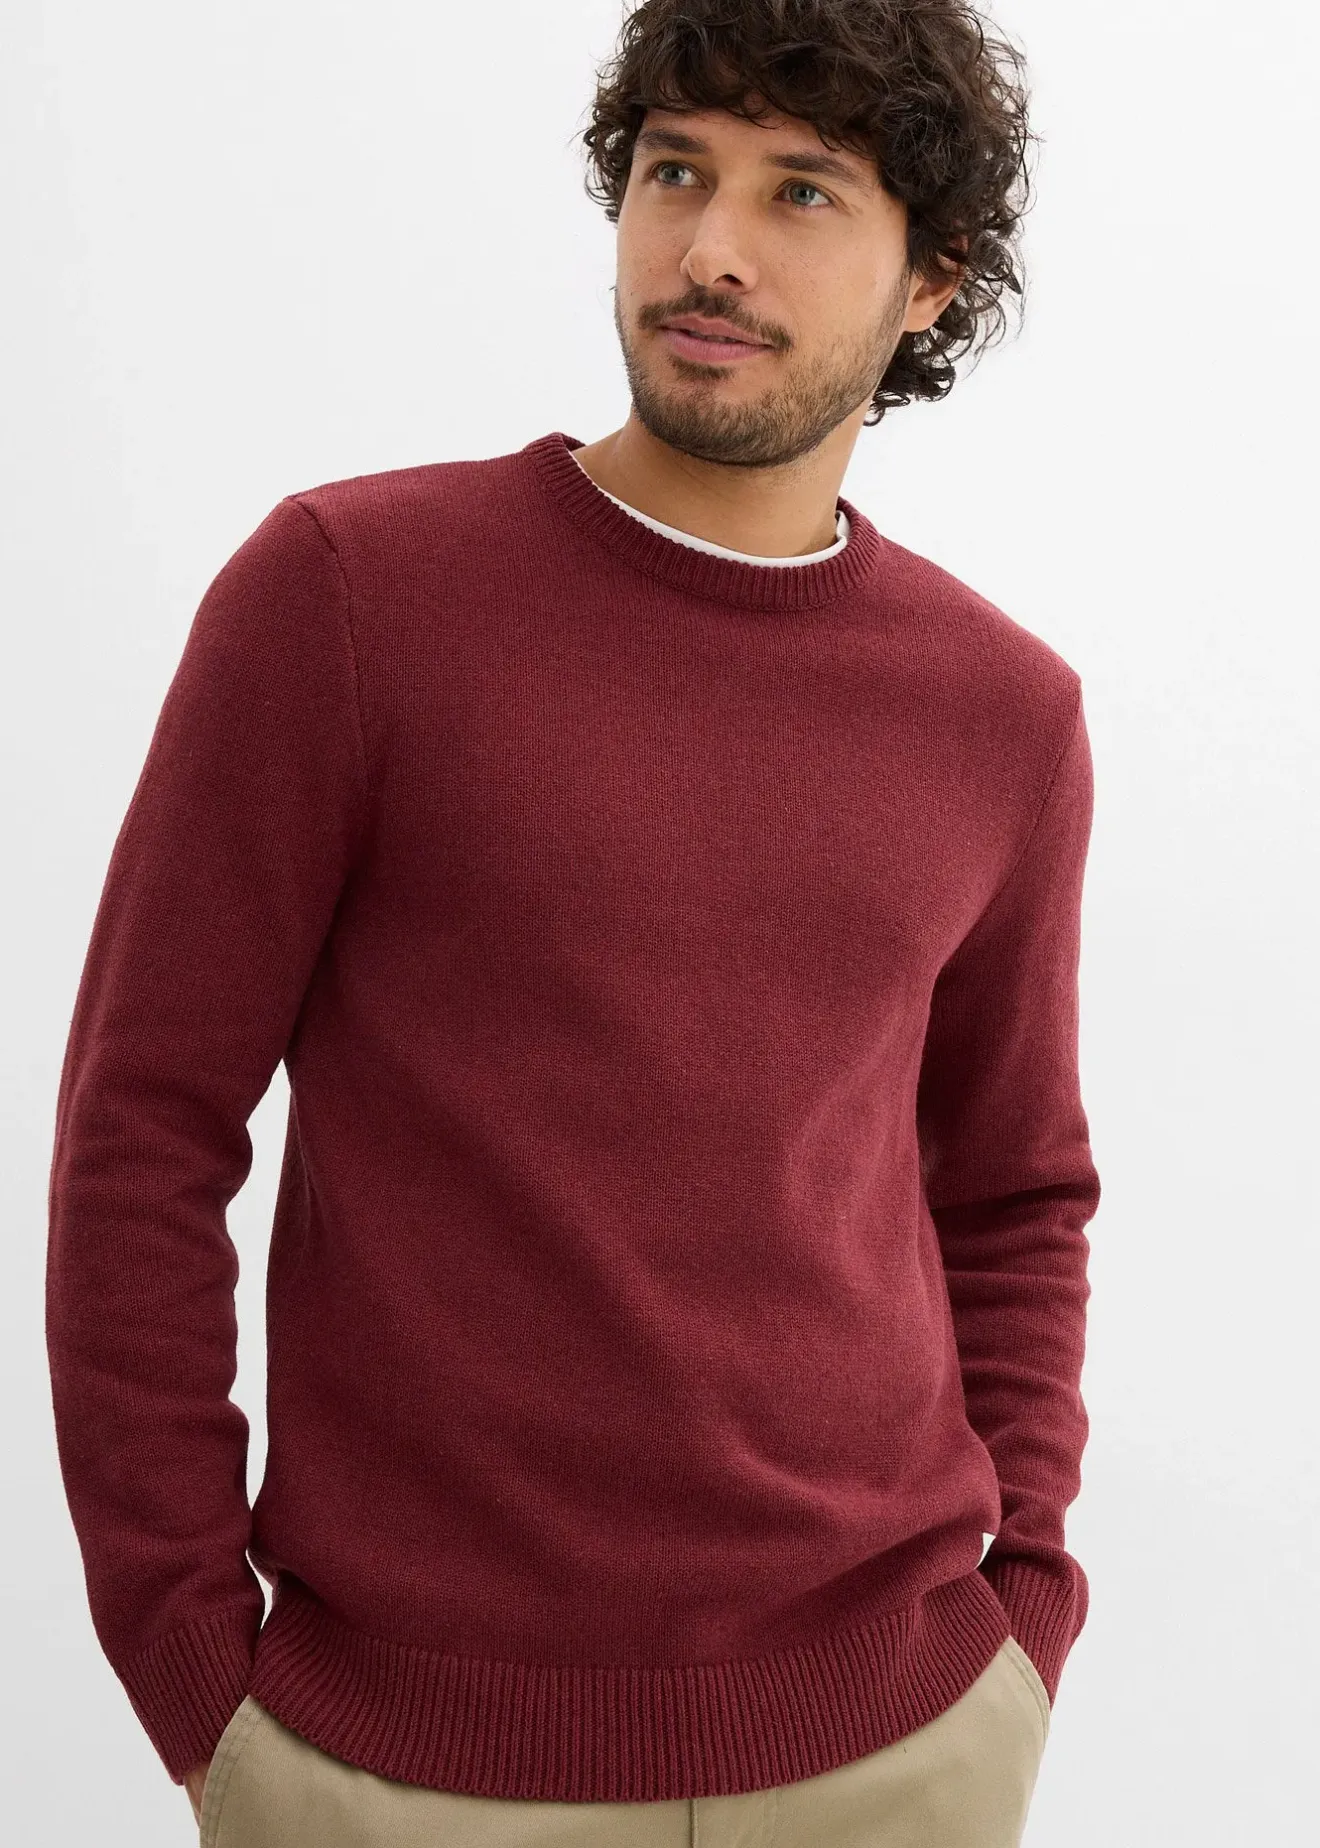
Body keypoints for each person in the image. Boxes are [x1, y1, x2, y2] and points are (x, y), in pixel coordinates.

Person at [46, 3, 1100, 1844]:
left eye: (802, 193)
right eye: (676, 172)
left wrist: (1021, 1622)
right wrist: (191, 1664)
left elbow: (1013, 1193)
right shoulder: (348, 601)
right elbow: (141, 1136)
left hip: (898, 1744)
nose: (712, 249)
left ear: (931, 279)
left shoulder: (1003, 714)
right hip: (397, 1766)